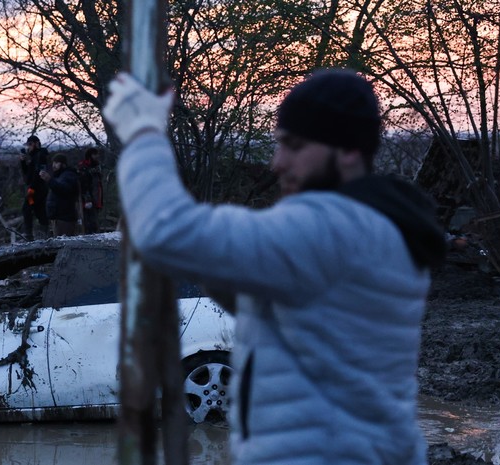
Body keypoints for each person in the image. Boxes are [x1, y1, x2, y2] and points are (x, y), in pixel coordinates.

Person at [103, 69, 446, 464]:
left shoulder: (330, 226)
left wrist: (144, 135)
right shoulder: (377, 227)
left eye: (294, 146)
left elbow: (166, 231)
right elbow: (284, 314)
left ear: (349, 149)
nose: (276, 163)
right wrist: (207, 261)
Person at [40, 153, 80, 237]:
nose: (54, 165)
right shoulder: (60, 176)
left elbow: (63, 189)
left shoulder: (68, 175)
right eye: (53, 163)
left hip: (65, 219)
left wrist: (49, 180)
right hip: (59, 218)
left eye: (56, 163)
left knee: (65, 244)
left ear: (63, 164)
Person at [20, 135, 50, 240]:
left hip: (36, 190)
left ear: (36, 144)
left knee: (27, 208)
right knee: (38, 210)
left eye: (30, 144)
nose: (29, 147)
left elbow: (39, 174)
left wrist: (31, 188)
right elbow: (27, 174)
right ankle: (44, 235)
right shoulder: (33, 157)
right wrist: (23, 162)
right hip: (35, 189)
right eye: (28, 145)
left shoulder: (40, 155)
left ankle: (29, 235)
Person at [78, 147, 104, 233]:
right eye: (95, 154)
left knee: (94, 221)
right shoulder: (84, 168)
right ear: (90, 155)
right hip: (89, 199)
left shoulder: (97, 166)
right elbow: (84, 185)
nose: (97, 156)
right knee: (89, 222)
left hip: (96, 198)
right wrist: (87, 199)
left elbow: (98, 184)